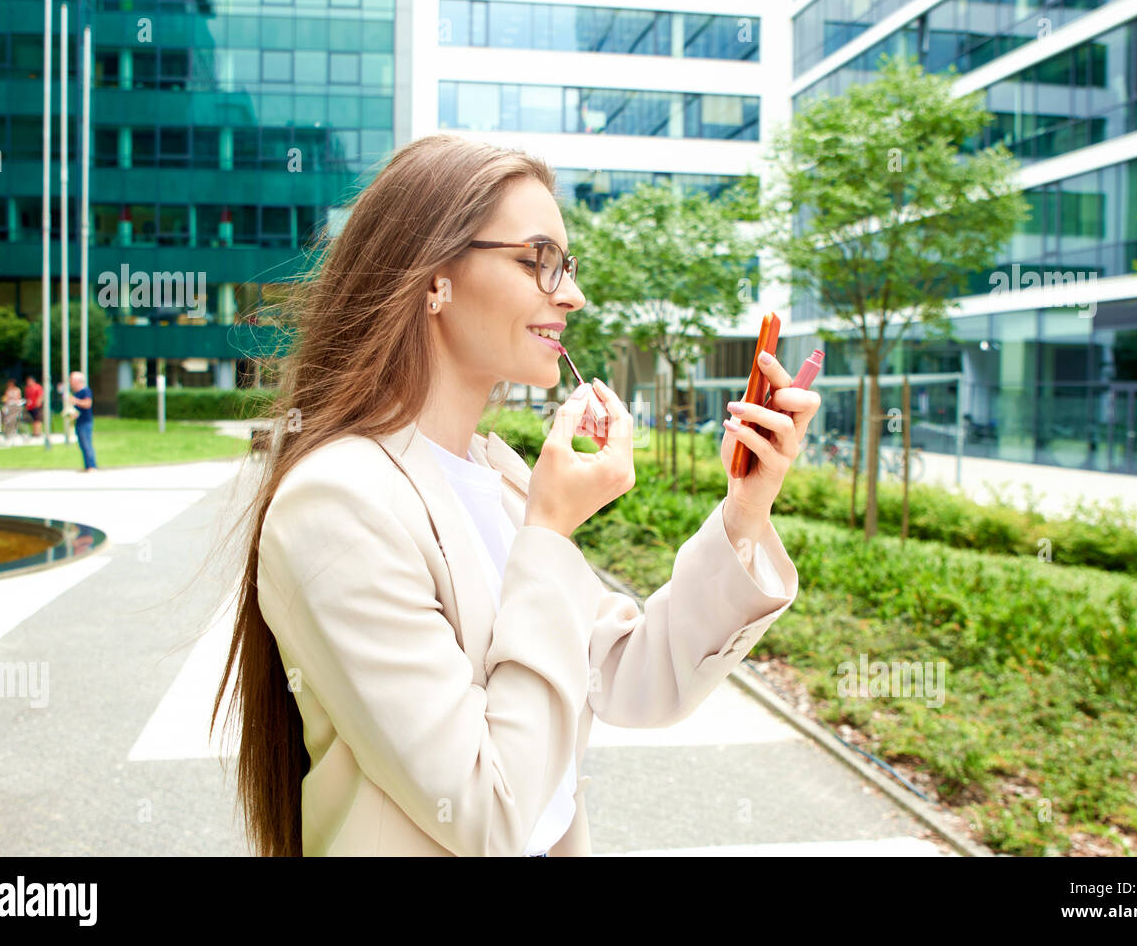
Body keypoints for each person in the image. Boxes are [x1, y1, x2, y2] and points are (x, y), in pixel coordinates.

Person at [211, 134, 819, 858]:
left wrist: (745, 511)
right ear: (435, 278)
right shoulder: (337, 504)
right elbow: (493, 814)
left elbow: (633, 677)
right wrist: (551, 532)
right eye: (540, 261)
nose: (573, 294)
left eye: (566, 266)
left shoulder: (498, 477)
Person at [68, 370, 96, 472]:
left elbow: (88, 403)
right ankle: (87, 465)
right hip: (79, 421)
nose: (70, 382)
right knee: (82, 444)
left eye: (71, 380)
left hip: (86, 422)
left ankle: (92, 466)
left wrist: (75, 401)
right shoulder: (77, 393)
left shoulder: (85, 391)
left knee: (87, 443)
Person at [0, 379, 23, 443]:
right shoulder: (8, 390)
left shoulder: (17, 390)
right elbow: (6, 399)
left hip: (15, 406)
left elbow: (18, 398)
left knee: (14, 418)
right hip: (9, 406)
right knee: (6, 418)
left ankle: (14, 430)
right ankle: (7, 431)